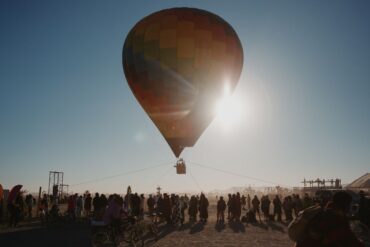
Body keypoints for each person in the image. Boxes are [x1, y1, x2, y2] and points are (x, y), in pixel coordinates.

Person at [294, 191, 364, 247]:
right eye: (349, 204)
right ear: (344, 205)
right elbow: (350, 239)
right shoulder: (338, 220)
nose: (350, 207)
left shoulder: (324, 212)